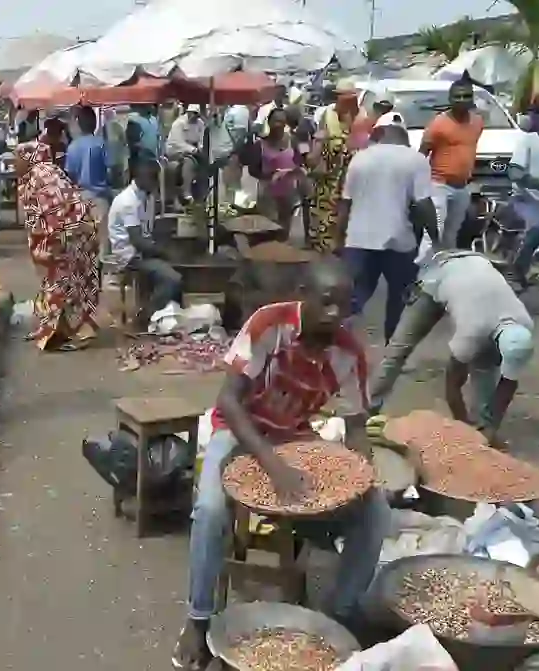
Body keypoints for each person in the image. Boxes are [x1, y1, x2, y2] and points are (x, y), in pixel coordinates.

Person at [172, 258, 389, 670]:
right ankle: (198, 620)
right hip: (239, 429)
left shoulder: (348, 352)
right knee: (211, 508)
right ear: (302, 296)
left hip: (294, 435)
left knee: (376, 511)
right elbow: (229, 403)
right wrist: (273, 466)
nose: (335, 315)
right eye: (326, 303)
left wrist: (359, 475)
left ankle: (341, 613)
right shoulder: (267, 325)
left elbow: (357, 425)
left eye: (344, 306)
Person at [367, 251, 534, 444]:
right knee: (398, 351)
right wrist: (462, 428)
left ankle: (483, 428)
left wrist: (490, 427)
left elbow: (509, 383)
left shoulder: (524, 325)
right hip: (439, 278)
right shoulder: (473, 331)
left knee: (486, 367)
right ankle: (367, 408)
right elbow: (453, 385)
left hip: (475, 281)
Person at [339, 114, 439, 342]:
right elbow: (423, 204)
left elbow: (345, 203)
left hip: (358, 240)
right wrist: (436, 238)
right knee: (399, 298)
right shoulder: (415, 160)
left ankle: (339, 344)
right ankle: (391, 350)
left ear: (379, 134)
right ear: (404, 135)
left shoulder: (360, 159)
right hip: (399, 241)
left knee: (353, 298)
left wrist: (337, 240)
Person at [14, 139, 101, 351]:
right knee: (61, 285)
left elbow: (55, 211)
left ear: (29, 157)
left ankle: (80, 332)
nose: (14, 163)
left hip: (69, 237)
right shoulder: (46, 172)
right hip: (72, 235)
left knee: (67, 286)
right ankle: (54, 327)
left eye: (17, 158)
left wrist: (48, 244)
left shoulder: (39, 176)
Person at [418, 73, 484, 264]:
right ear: (450, 99)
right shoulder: (438, 124)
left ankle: (443, 276)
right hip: (439, 185)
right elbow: (421, 156)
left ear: (472, 98)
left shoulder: (478, 122)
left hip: (462, 187)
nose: (462, 100)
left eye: (466, 96)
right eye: (457, 96)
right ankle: (420, 276)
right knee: (432, 235)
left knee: (451, 236)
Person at [108, 155, 182, 326]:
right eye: (153, 178)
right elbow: (138, 241)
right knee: (173, 278)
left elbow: (148, 231)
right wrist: (165, 252)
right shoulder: (129, 201)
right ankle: (146, 316)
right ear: (140, 178)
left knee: (174, 267)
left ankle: (163, 312)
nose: (156, 183)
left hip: (140, 252)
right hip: (129, 256)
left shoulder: (144, 196)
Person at [309, 79, 361, 253]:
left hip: (351, 180)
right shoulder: (327, 115)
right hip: (329, 180)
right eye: (345, 98)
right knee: (325, 221)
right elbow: (320, 141)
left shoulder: (360, 116)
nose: (349, 102)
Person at [509, 103, 539, 287]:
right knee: (536, 226)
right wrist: (536, 182)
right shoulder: (528, 141)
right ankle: (516, 272)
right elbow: (514, 173)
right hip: (526, 199)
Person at [249, 108, 305, 236]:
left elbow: (300, 162)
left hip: (288, 194)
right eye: (276, 121)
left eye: (282, 121)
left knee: (284, 229)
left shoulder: (293, 141)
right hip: (268, 195)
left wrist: (295, 173)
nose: (279, 125)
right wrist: (270, 175)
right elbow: (252, 170)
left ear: (286, 123)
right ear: (268, 122)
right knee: (268, 230)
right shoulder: (260, 145)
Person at [65, 106, 112, 252]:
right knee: (104, 244)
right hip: (101, 199)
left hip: (80, 198)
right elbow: (111, 170)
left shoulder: (73, 147)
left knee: (83, 244)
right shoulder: (102, 143)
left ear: (79, 124)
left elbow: (70, 175)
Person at [165, 104, 206, 206]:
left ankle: (203, 192)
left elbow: (202, 138)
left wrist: (200, 148)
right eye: (191, 114)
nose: (193, 116)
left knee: (205, 162)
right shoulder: (179, 124)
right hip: (175, 150)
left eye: (195, 114)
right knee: (189, 162)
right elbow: (177, 142)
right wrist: (193, 150)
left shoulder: (200, 124)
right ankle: (186, 191)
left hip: (193, 149)